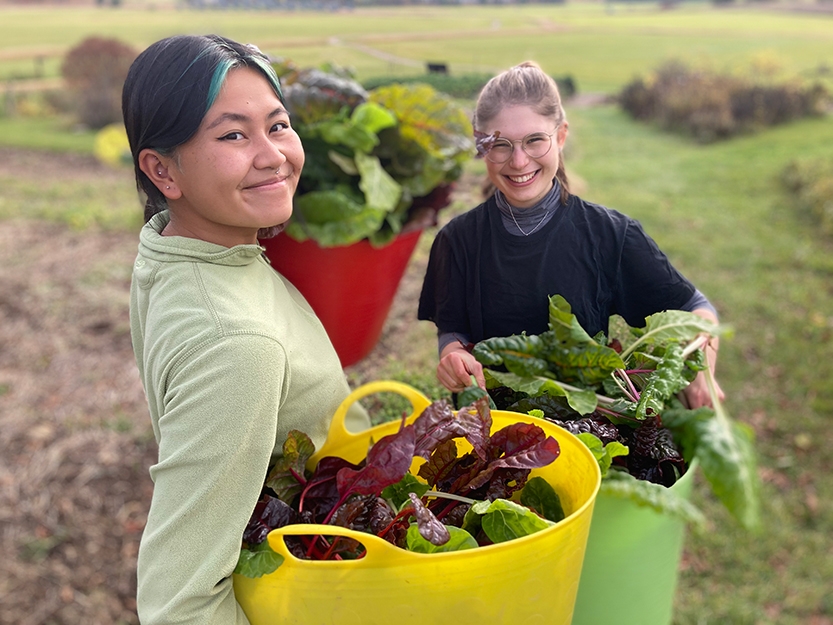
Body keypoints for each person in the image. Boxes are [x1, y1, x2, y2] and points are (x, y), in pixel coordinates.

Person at [122, 34, 368, 624]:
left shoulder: (180, 246)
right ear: (162, 170)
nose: (272, 155)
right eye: (233, 134)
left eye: (278, 125)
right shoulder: (235, 346)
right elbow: (177, 604)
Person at [418, 61, 723, 410]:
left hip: (586, 437)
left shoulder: (610, 235)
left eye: (535, 140)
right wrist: (453, 354)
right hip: (487, 436)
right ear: (482, 147)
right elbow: (453, 329)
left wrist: (703, 370)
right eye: (500, 145)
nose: (518, 162)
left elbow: (696, 309)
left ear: (561, 136)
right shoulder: (456, 241)